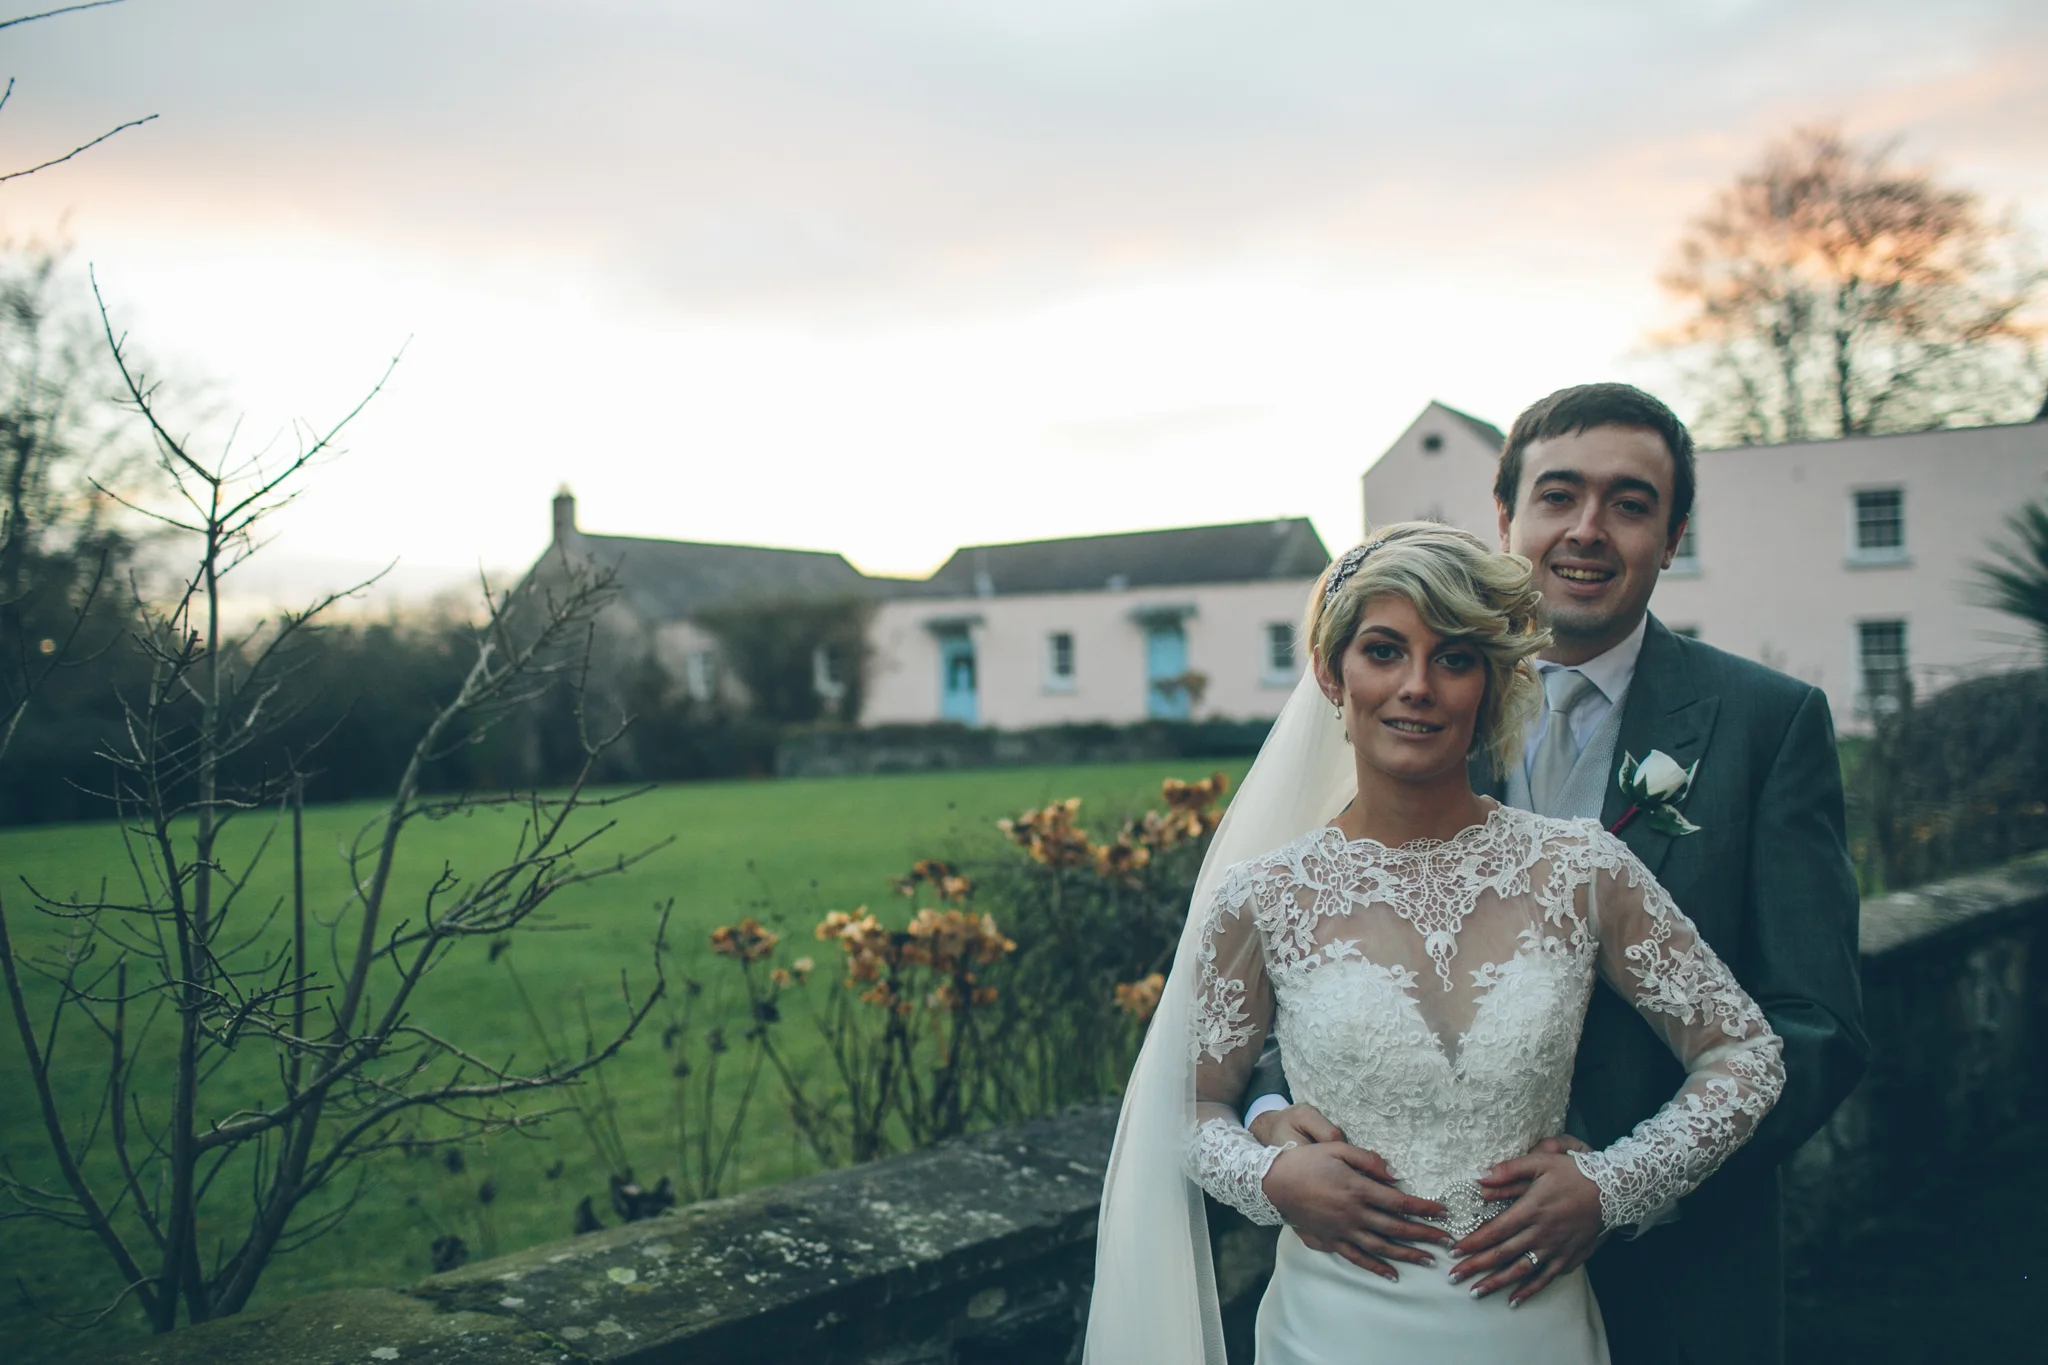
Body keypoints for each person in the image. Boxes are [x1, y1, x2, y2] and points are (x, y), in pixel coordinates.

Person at [1242, 383, 1869, 1364]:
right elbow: (1310, 940)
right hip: (1407, 1276)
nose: (1586, 530)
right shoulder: (1406, 709)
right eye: (1558, 496)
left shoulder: (1765, 724)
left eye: (1628, 504)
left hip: (1680, 1272)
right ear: (1505, 518)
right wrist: (1270, 1113)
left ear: (1670, 537)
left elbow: (1813, 1022)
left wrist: (1625, 1186)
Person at [1084, 518, 1785, 1364]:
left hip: (1536, 1322)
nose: (1416, 685)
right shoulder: (1263, 897)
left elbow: (1746, 1053)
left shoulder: (1581, 867)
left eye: (1454, 658)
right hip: (1332, 1330)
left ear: (1489, 687)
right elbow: (1186, 1105)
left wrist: (1613, 1184)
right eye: (1384, 651)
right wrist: (1271, 1174)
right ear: (1330, 673)